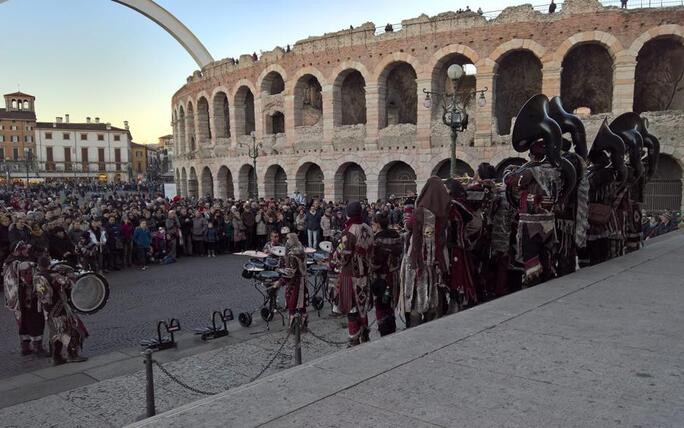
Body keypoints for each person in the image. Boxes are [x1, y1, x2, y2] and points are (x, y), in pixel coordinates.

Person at [399, 177, 450, 326]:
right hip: (436, 262)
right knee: (433, 294)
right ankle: (432, 323)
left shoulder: (419, 212)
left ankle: (415, 325)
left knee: (415, 296)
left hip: (416, 262)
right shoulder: (444, 215)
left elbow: (408, 226)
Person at [331, 201, 374, 346]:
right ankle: (365, 333)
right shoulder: (368, 228)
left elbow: (344, 254)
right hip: (365, 273)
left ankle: (354, 337)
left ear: (348, 213)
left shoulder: (349, 231)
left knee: (352, 306)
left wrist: (334, 257)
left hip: (351, 274)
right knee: (362, 304)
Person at [34, 255, 88, 365]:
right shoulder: (54, 276)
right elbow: (69, 285)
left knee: (55, 334)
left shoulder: (37, 277)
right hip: (60, 308)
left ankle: (56, 357)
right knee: (73, 330)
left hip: (47, 310)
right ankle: (73, 355)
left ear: (39, 266)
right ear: (49, 264)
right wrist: (69, 275)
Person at [3, 242, 46, 357]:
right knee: (35, 321)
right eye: (24, 249)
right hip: (28, 298)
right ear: (18, 250)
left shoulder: (8, 261)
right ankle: (38, 348)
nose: (27, 250)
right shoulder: (22, 264)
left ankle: (25, 347)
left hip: (18, 300)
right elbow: (29, 280)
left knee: (24, 323)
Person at [371, 213, 402, 336]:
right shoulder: (396, 235)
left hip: (381, 278)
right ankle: (392, 326)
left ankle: (384, 330)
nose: (372, 226)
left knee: (380, 304)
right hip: (393, 276)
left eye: (373, 224)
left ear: (378, 225)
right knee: (390, 303)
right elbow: (399, 253)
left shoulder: (377, 239)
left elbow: (375, 262)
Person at [278, 233, 308, 329]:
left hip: (294, 282)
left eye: (288, 239)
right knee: (302, 305)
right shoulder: (301, 251)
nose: (286, 241)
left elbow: (290, 272)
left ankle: (294, 327)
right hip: (302, 280)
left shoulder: (292, 255)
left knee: (292, 304)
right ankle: (303, 325)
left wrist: (280, 282)